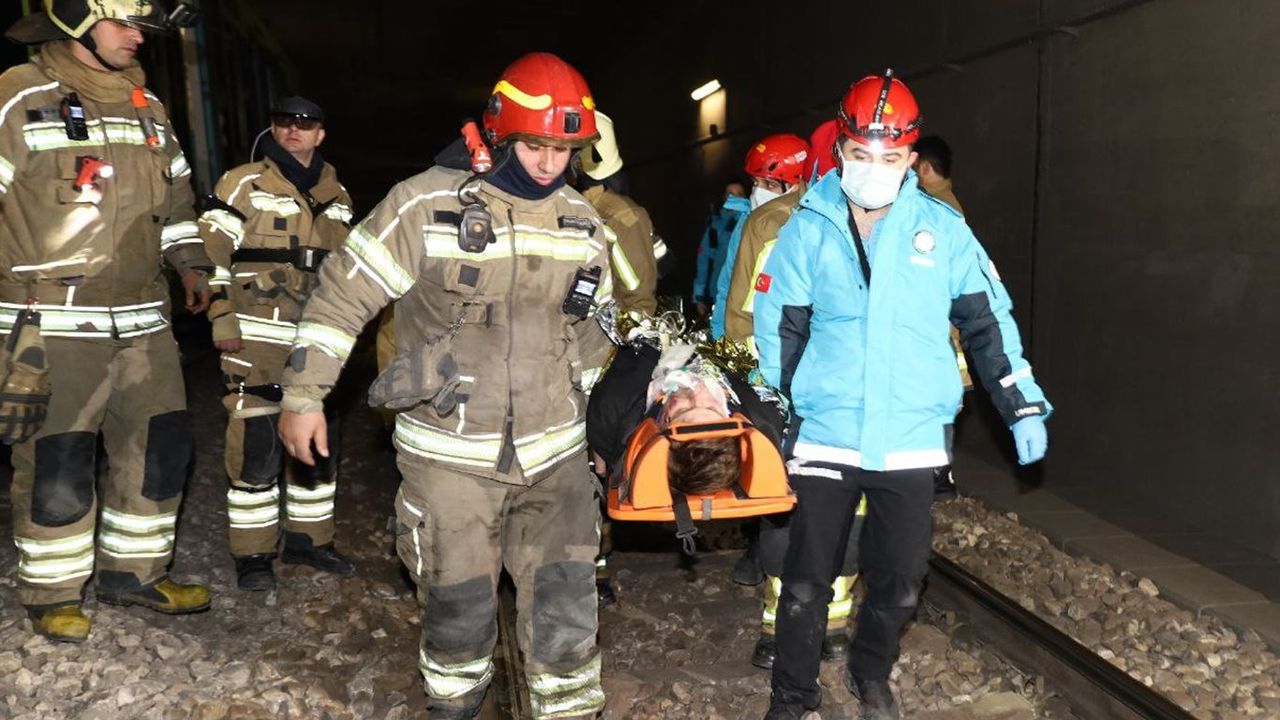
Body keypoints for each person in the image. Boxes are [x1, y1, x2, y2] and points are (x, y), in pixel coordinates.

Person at [277, 52, 613, 720]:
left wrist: (603, 435)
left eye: (564, 150)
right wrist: (304, 395)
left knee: (568, 610)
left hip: (556, 459)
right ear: (501, 134)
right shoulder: (424, 204)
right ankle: (454, 706)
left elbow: (594, 335)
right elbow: (342, 296)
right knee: (457, 608)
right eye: (537, 146)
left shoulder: (582, 221)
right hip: (450, 454)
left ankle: (569, 710)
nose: (549, 164)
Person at [756, 70, 1052, 720]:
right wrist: (776, 416)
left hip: (911, 439)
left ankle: (871, 673)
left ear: (910, 158)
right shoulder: (807, 229)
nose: (873, 169)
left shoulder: (944, 232)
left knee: (899, 582)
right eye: (860, 154)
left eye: (889, 158)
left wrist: (1020, 404)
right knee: (804, 582)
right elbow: (780, 330)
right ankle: (792, 694)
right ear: (840, 150)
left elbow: (988, 323)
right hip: (826, 434)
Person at [0, 0, 214, 642]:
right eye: (123, 24)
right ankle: (53, 592)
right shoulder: (18, 96)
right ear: (76, 21)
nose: (137, 38)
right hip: (53, 322)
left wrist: (190, 263)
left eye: (140, 28)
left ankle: (136, 575)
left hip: (144, 321)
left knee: (160, 446)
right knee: (59, 455)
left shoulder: (148, 108)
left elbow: (178, 199)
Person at [198, 96, 356, 591]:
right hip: (254, 337)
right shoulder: (243, 182)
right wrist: (221, 315)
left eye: (305, 123)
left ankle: (310, 540)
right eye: (284, 121)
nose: (293, 129)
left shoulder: (337, 194)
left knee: (318, 440)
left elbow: (348, 272)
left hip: (316, 342)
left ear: (320, 133)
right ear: (273, 128)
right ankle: (253, 554)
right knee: (256, 443)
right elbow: (208, 254)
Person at [710, 135, 808, 340]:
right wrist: (719, 336)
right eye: (755, 182)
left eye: (770, 185)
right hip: (739, 336)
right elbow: (728, 285)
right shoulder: (746, 221)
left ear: (796, 185)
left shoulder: (804, 228)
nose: (758, 192)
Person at [578, 111, 658, 315]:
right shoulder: (574, 207)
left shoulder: (623, 216)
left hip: (609, 328)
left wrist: (635, 328)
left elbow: (640, 296)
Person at [692, 182, 748, 317]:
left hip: (745, 295)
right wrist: (699, 297)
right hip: (718, 294)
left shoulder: (752, 223)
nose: (734, 198)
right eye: (730, 194)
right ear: (724, 197)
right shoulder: (715, 227)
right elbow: (703, 262)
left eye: (739, 194)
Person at [912, 135, 962, 214]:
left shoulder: (925, 204)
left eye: (914, 167)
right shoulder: (951, 206)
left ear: (925, 168)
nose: (910, 172)